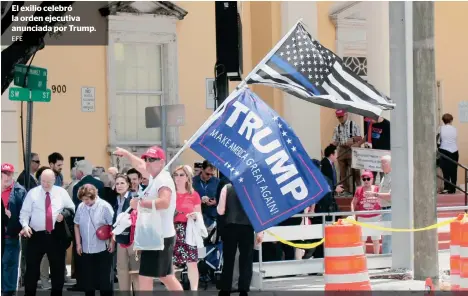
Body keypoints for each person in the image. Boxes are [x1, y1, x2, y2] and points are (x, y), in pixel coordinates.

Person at [113, 145, 182, 291]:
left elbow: (164, 202)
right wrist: (126, 153)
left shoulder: (163, 179)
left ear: (162, 162)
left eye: (152, 159)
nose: (148, 162)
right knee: (155, 275)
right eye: (147, 159)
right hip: (155, 236)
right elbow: (139, 164)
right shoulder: (154, 177)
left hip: (161, 237)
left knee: (160, 276)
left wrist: (140, 204)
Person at [19, 169, 75, 296]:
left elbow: (72, 209)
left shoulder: (61, 192)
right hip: (36, 235)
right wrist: (25, 225)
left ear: (54, 180)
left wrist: (64, 214)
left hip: (56, 235)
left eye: (48, 182)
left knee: (57, 270)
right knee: (32, 269)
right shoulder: (33, 193)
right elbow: (24, 213)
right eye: (43, 181)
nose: (45, 184)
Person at [217, 183, 263, 296]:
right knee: (246, 259)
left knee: (228, 259)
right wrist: (260, 232)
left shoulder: (227, 187)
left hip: (230, 226)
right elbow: (259, 212)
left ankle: (225, 289)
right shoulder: (254, 188)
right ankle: (244, 289)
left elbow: (220, 211)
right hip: (247, 227)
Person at [74, 184, 114, 296]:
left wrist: (112, 242)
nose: (84, 202)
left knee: (104, 281)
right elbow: (76, 225)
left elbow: (113, 226)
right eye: (82, 199)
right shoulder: (81, 207)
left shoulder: (104, 206)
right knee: (88, 282)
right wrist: (78, 244)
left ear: (93, 196)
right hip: (86, 249)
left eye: (86, 199)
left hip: (102, 248)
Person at [172, 165, 201, 291]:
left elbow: (199, 215)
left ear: (188, 178)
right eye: (176, 175)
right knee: (171, 264)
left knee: (192, 263)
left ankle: (194, 291)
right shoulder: (170, 194)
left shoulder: (194, 195)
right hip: (172, 230)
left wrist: (194, 216)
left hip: (189, 230)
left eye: (181, 175)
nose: (178, 178)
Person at [2, 163, 27, 295]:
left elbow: (26, 212)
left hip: (11, 235)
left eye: (9, 173)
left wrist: (24, 226)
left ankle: (8, 292)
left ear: (13, 174)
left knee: (10, 265)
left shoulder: (19, 191)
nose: (6, 176)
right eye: (4, 173)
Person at [112, 174, 140, 292]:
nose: (119, 186)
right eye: (117, 183)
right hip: (120, 238)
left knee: (136, 271)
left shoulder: (134, 199)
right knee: (122, 270)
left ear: (128, 184)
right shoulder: (116, 200)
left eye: (122, 183)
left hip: (134, 238)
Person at [365, 155, 392, 254]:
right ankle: (387, 260)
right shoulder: (385, 177)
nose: (381, 165)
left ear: (390, 164)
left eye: (384, 163)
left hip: (390, 210)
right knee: (386, 237)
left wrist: (374, 194)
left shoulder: (393, 176)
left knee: (387, 239)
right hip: (384, 210)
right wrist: (373, 197)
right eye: (381, 163)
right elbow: (381, 196)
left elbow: (391, 196)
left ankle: (387, 261)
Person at [331, 110, 362, 194]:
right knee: (343, 172)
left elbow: (360, 138)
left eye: (341, 116)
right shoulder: (337, 128)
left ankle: (359, 189)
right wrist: (331, 147)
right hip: (341, 150)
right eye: (338, 117)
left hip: (351, 150)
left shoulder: (354, 125)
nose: (340, 119)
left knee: (355, 170)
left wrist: (352, 140)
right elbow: (335, 141)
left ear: (346, 115)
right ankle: (346, 190)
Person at [351, 171, 381, 254]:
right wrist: (353, 214)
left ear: (372, 179)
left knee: (376, 240)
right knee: (362, 240)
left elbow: (384, 200)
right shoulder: (359, 190)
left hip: (375, 217)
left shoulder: (377, 189)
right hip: (363, 218)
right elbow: (353, 203)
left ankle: (377, 258)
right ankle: (363, 258)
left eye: (368, 179)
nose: (366, 181)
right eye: (364, 179)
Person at [192, 160, 220, 228]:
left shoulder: (217, 182)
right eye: (207, 174)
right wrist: (199, 201)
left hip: (212, 219)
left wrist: (216, 202)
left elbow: (223, 199)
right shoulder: (193, 181)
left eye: (212, 174)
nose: (210, 176)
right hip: (196, 218)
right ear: (202, 169)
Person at [437, 113, 459, 194]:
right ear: (451, 120)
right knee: (453, 170)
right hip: (454, 150)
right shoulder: (454, 128)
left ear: (443, 120)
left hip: (444, 150)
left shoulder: (440, 128)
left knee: (445, 170)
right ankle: (453, 188)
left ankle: (447, 187)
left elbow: (438, 140)